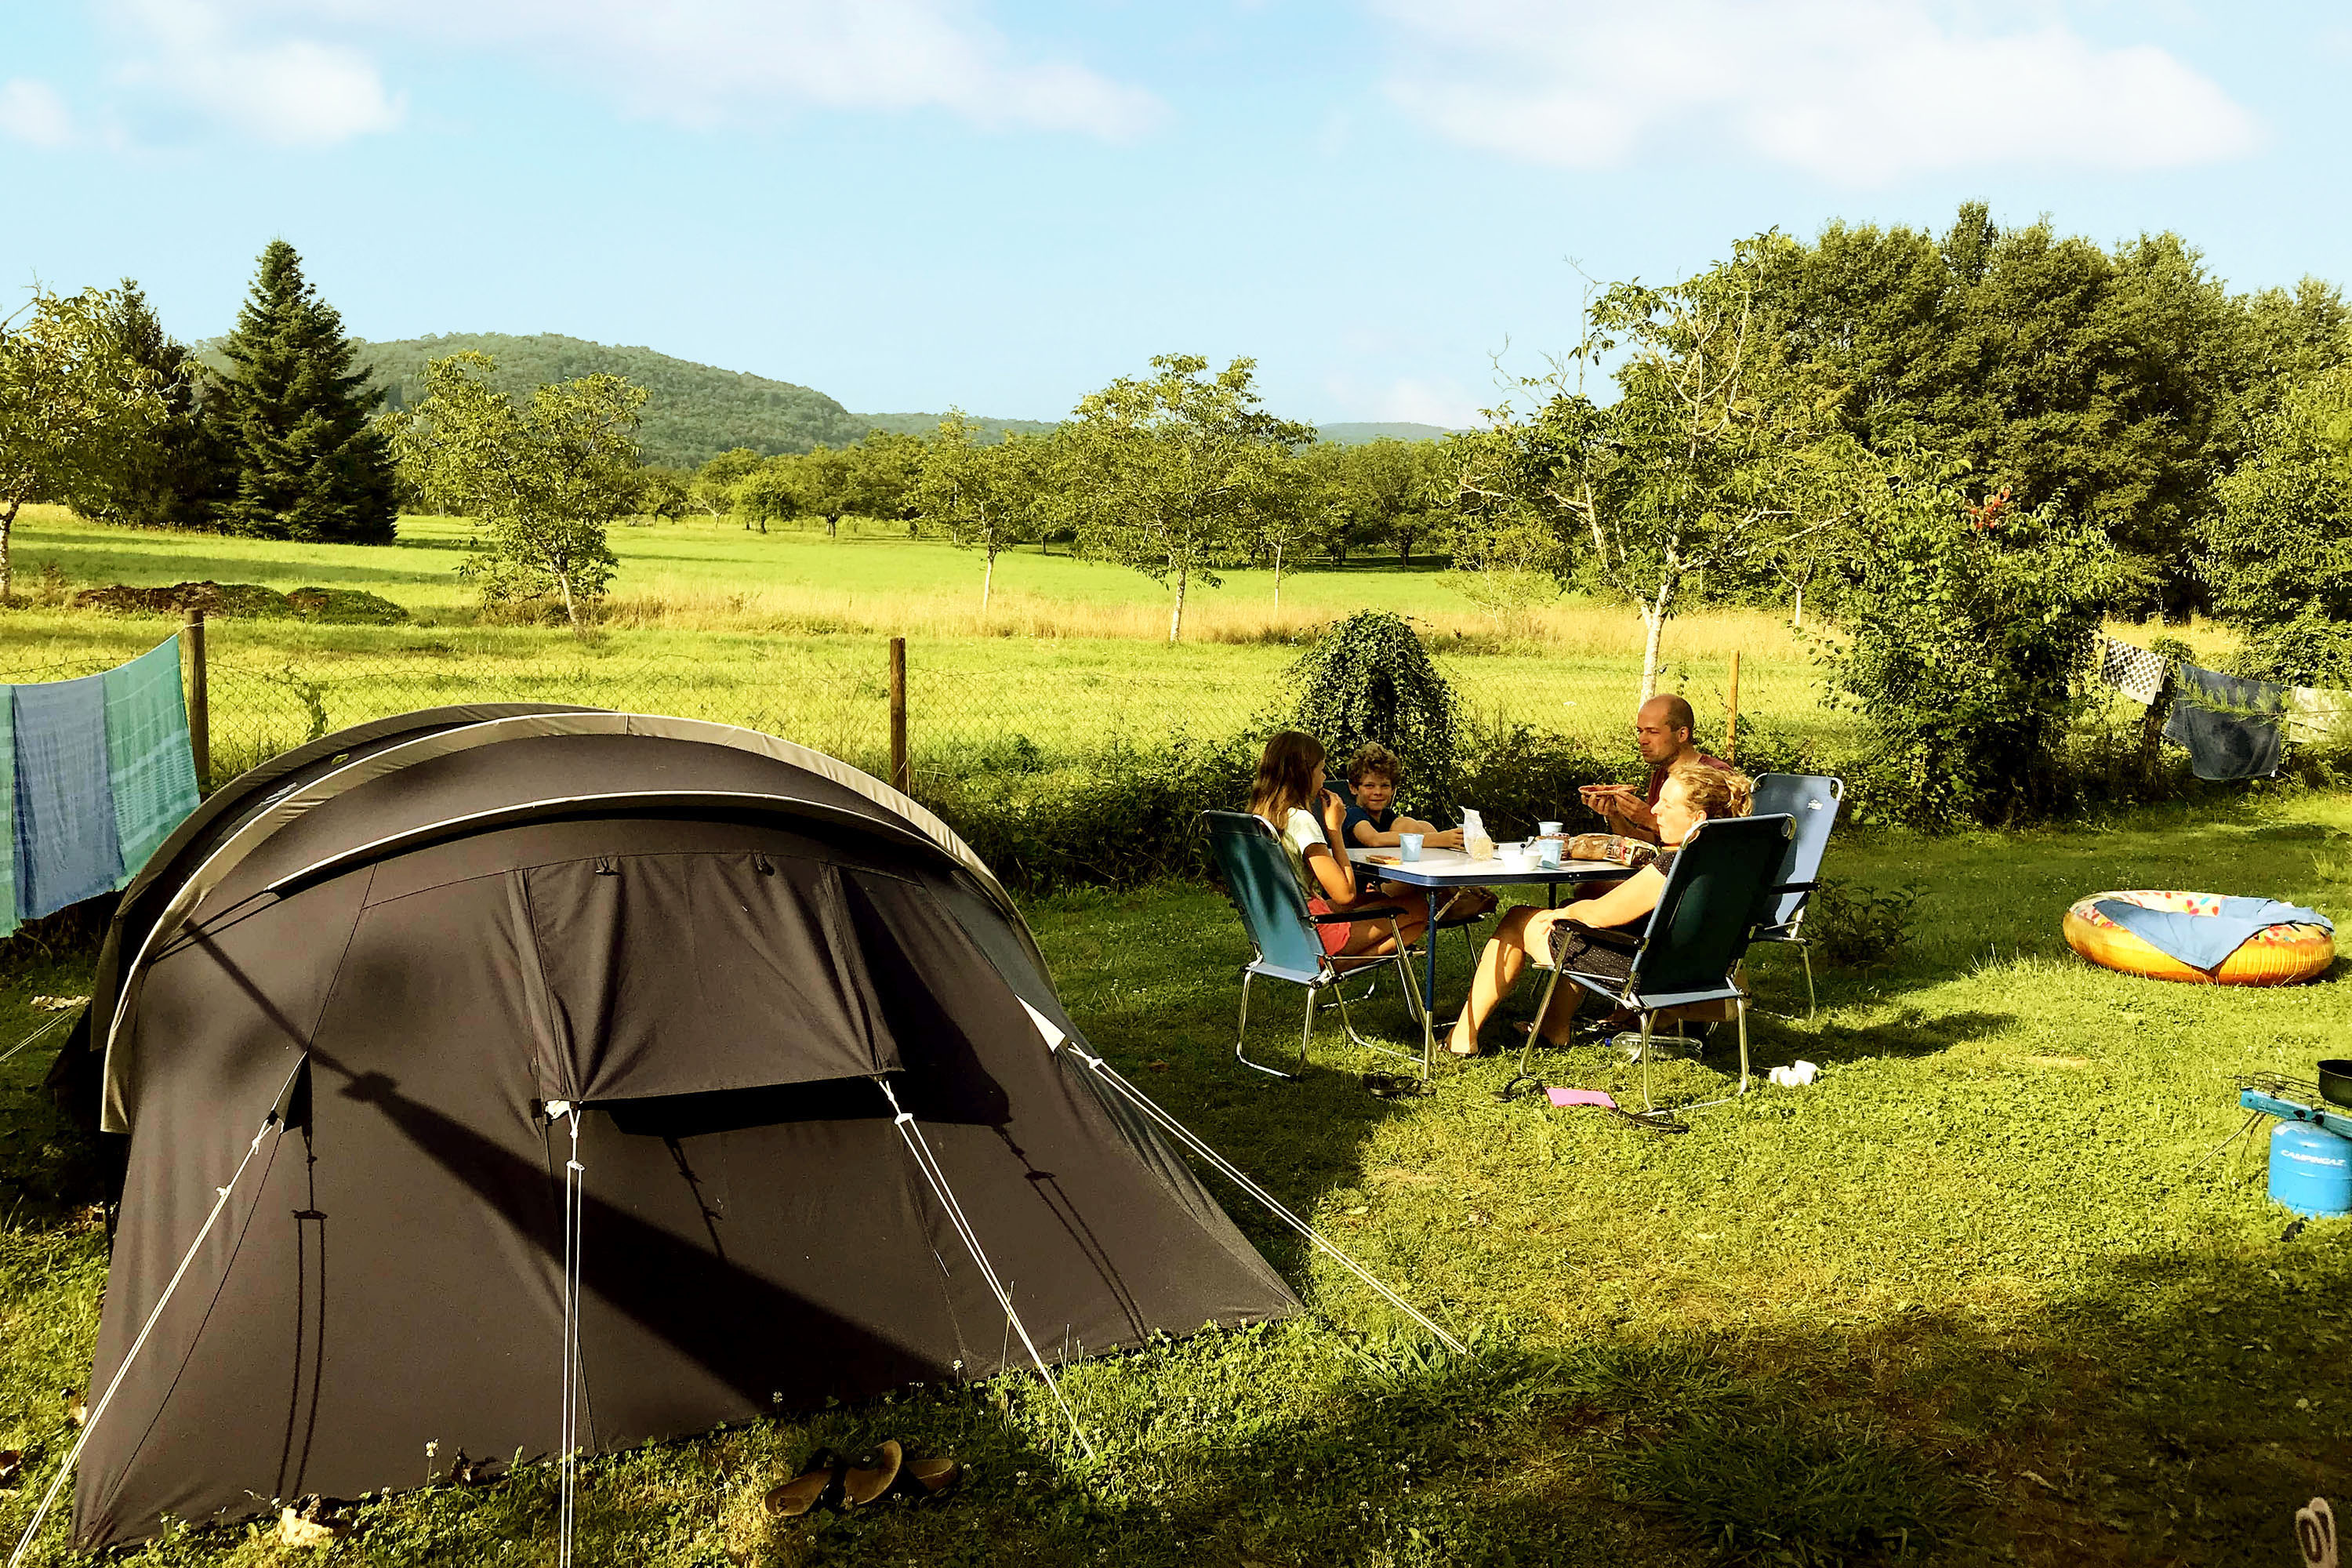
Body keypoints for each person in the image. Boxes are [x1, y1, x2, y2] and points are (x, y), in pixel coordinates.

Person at [1446, 761, 1752, 1056]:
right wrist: (1572, 908)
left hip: (1649, 974)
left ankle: (1462, 1038)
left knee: (1519, 920)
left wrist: (1562, 914)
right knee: (1571, 907)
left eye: (1667, 805)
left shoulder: (1676, 863)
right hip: (1704, 970)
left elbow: (1601, 915)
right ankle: (1553, 1028)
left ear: (1698, 818)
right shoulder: (1734, 860)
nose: (1655, 810)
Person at [1250, 732, 1429, 964]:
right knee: (1417, 907)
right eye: (1321, 770)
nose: (1324, 778)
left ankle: (1339, 961)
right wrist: (1334, 830)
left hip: (1279, 929)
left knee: (1376, 899)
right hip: (1312, 932)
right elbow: (1344, 895)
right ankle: (1338, 964)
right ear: (1303, 774)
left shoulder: (1262, 817)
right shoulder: (1300, 821)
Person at [1578, 694, 1733, 844]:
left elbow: (1717, 843)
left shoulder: (1715, 775)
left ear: (1682, 734)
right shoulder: (1662, 774)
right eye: (1640, 731)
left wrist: (1648, 818)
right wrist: (1614, 815)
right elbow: (1651, 842)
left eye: (1653, 732)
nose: (1642, 740)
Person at [1341, 742, 1463, 851]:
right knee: (1407, 825)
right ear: (1354, 788)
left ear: (1393, 789)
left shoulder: (1387, 816)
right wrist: (1437, 839)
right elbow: (1374, 840)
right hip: (1365, 874)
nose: (1378, 792)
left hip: (1392, 867)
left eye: (1385, 786)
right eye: (1369, 786)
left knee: (1422, 825)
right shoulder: (1353, 814)